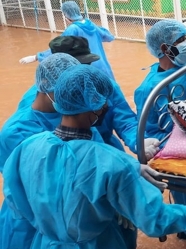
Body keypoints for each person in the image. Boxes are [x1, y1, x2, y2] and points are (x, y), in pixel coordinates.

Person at [2, 65, 186, 249]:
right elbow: (156, 221)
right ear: (95, 106)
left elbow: (16, 203)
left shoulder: (27, 148)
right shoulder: (110, 163)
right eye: (104, 102)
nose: (107, 106)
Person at [0, 54, 101, 249]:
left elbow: (98, 160)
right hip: (30, 220)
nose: (73, 94)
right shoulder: (16, 133)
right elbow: (39, 188)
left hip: (74, 219)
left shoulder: (76, 116)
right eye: (66, 88)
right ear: (45, 85)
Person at [15, 36, 158, 158]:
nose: (86, 75)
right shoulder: (35, 104)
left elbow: (124, 118)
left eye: (88, 65)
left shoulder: (102, 85)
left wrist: (138, 141)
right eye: (79, 68)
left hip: (108, 153)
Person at [134, 19, 186, 140]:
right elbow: (150, 132)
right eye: (180, 40)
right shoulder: (149, 89)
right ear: (165, 48)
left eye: (185, 38)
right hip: (174, 143)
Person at [18, 1, 116, 80]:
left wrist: (36, 57)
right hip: (103, 65)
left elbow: (59, 48)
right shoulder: (90, 24)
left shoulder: (72, 29)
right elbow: (109, 37)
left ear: (66, 15)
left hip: (86, 67)